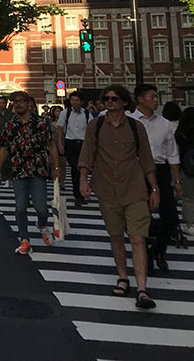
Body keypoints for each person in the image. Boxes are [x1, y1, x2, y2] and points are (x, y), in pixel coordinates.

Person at [79, 84, 159, 309]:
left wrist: (154, 188)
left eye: (115, 99)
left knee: (138, 237)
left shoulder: (136, 127)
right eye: (107, 99)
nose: (110, 102)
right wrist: (83, 180)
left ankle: (142, 288)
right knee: (115, 236)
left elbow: (146, 159)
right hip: (106, 188)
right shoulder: (95, 126)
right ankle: (123, 277)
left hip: (134, 187)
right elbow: (87, 154)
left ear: (125, 102)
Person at [0, 91, 61, 255]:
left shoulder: (41, 123)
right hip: (18, 169)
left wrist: (56, 167)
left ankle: (42, 224)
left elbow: (51, 145)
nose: (17, 104)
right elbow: (4, 147)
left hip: (38, 169)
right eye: (15, 101)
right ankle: (24, 239)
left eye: (21, 101)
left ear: (29, 104)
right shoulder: (10, 125)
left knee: (41, 208)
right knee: (20, 206)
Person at [130, 84, 183, 272]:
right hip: (136, 170)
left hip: (160, 170)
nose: (155, 100)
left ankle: (158, 250)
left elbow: (172, 154)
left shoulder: (164, 123)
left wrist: (176, 181)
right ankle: (143, 255)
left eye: (156, 96)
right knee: (141, 217)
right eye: (151, 97)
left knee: (171, 217)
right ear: (140, 99)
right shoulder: (130, 121)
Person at [57, 91, 91, 206]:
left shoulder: (86, 114)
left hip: (83, 143)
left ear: (81, 102)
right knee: (75, 169)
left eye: (77, 100)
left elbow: (91, 130)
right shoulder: (65, 113)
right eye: (73, 100)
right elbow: (60, 129)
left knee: (83, 169)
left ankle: (82, 192)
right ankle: (78, 195)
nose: (75, 102)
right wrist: (60, 144)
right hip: (70, 143)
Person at [175, 106, 194, 238]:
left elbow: (175, 153)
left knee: (188, 198)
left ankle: (190, 225)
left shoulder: (180, 133)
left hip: (187, 168)